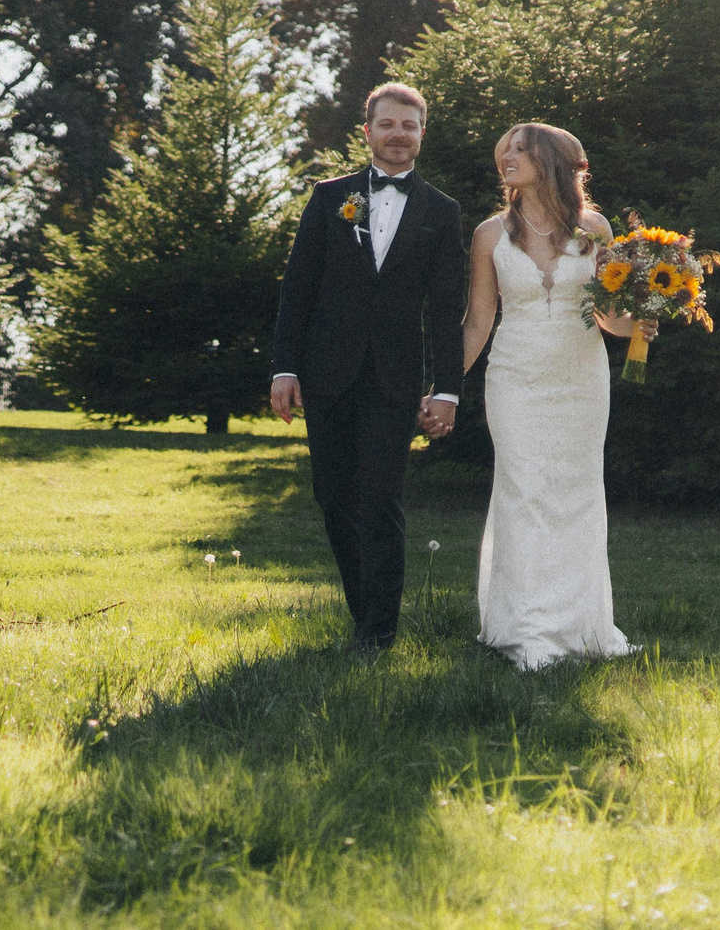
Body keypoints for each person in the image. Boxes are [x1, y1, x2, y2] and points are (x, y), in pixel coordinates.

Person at [428, 122, 639, 668]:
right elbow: (478, 322)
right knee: (523, 493)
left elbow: (610, 318)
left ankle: (582, 628)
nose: (508, 158)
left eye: (520, 150)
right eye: (505, 151)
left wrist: (643, 319)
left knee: (578, 493)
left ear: (551, 161)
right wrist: (443, 389)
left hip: (581, 380)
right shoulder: (490, 235)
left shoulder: (595, 229)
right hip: (515, 379)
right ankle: (526, 630)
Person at [269, 83, 466, 654]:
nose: (398, 134)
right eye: (387, 124)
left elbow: (446, 309)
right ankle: (365, 616)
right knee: (334, 498)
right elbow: (298, 289)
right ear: (368, 132)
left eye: (409, 125)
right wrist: (284, 369)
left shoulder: (442, 212)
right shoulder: (330, 197)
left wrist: (447, 389)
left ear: (422, 133)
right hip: (326, 372)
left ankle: (378, 633)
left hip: (393, 379)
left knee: (381, 499)